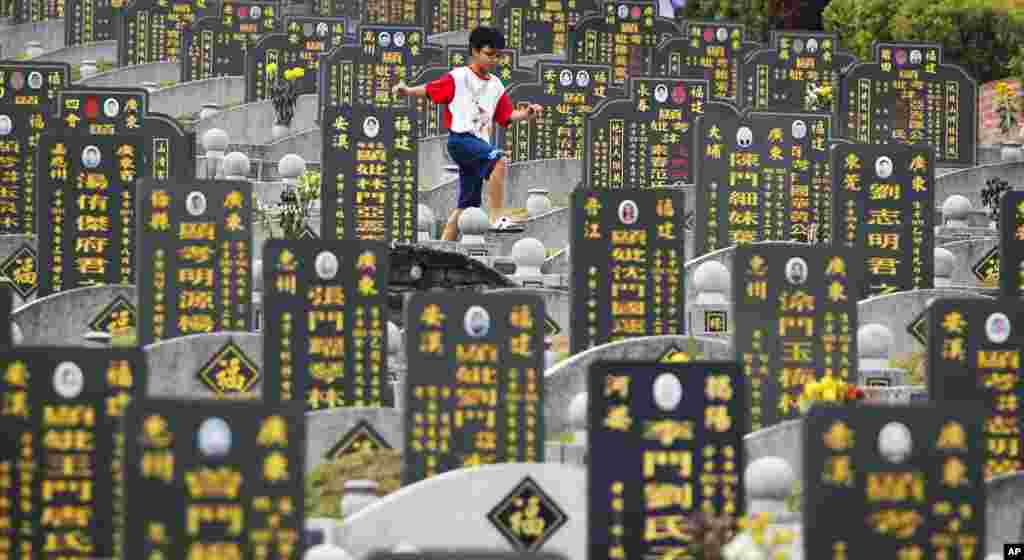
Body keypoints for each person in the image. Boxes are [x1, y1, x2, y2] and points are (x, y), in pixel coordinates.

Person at [393, 26, 543, 241]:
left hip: (478, 145)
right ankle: (497, 217)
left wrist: (527, 113)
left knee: (467, 206)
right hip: (461, 140)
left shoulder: (496, 85)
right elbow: (429, 90)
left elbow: (507, 116)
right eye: (489, 54)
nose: (493, 60)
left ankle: (441, 248)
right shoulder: (459, 77)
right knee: (498, 159)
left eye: (498, 56)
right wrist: (407, 91)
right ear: (474, 51)